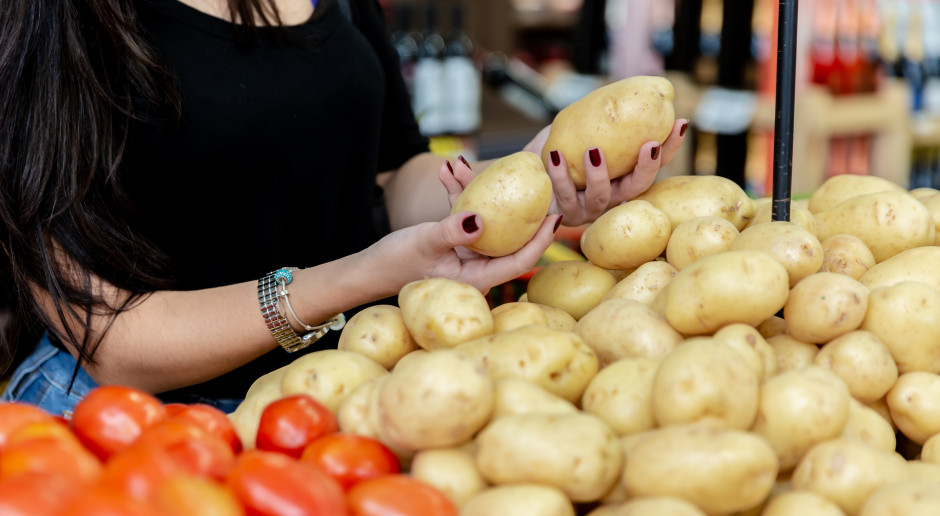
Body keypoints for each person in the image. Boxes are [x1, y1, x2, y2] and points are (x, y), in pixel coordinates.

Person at [0, 0, 688, 416]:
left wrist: (528, 180)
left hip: (347, 396)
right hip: (133, 427)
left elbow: (397, 172)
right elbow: (110, 339)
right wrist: (360, 276)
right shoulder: (50, 18)